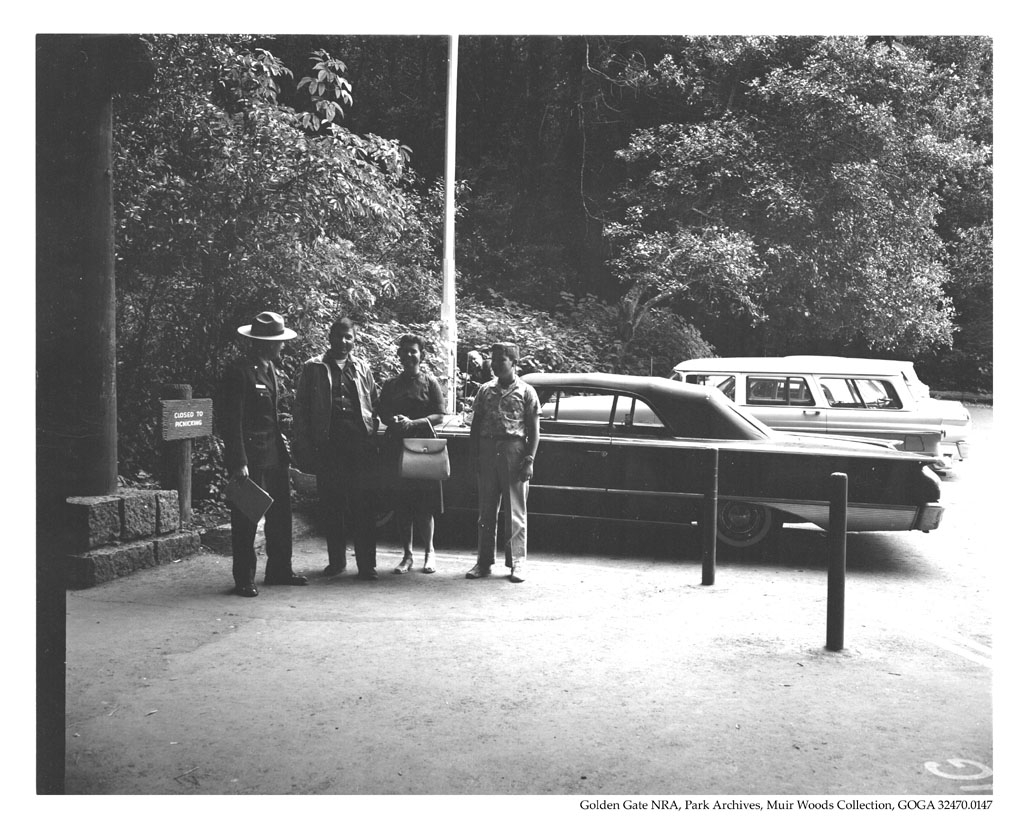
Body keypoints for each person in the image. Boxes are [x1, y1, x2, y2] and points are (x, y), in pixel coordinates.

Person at [219, 311, 307, 597]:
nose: (282, 346)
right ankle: (244, 578)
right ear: (266, 343)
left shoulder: (270, 369)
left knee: (281, 516)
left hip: (274, 454)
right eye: (279, 341)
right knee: (246, 517)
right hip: (252, 458)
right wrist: (238, 461)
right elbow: (231, 421)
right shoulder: (239, 372)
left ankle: (280, 569)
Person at [293, 317, 381, 580]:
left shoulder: (362, 367)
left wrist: (372, 434)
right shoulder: (313, 367)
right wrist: (305, 445)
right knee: (332, 504)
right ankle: (337, 562)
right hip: (328, 445)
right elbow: (301, 408)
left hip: (359, 445)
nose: (343, 342)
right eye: (339, 336)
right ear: (330, 337)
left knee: (363, 505)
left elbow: (373, 402)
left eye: (349, 337)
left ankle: (367, 565)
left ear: (355, 340)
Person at [465, 342, 540, 583]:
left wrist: (529, 460)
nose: (495, 364)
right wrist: (475, 456)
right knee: (486, 511)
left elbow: (534, 430)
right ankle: (484, 561)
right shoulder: (485, 390)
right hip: (488, 450)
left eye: (501, 360)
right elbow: (476, 425)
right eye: (493, 359)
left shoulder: (526, 392)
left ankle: (517, 562)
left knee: (515, 511)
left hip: (513, 451)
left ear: (513, 363)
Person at [377, 334, 447, 574]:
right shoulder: (390, 385)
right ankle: (407, 556)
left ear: (421, 355)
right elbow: (382, 412)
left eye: (413, 351)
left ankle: (429, 552)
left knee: (424, 505)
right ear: (399, 355)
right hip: (398, 449)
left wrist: (413, 422)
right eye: (405, 351)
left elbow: (439, 415)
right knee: (402, 504)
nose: (409, 355)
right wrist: (394, 420)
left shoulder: (430, 383)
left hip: (423, 450)